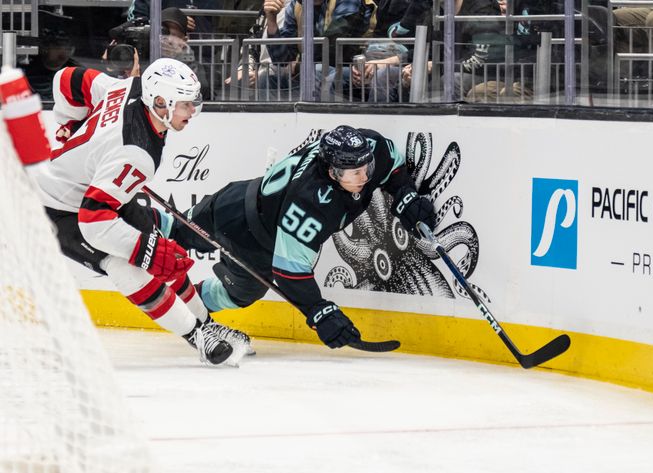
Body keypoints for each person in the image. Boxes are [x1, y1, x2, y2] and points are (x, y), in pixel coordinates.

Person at [37, 58, 247, 366]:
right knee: (126, 267)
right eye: (186, 105)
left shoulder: (129, 87)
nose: (193, 112)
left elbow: (67, 78)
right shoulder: (136, 152)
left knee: (165, 257)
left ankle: (207, 323)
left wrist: (68, 123)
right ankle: (196, 336)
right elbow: (93, 221)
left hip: (99, 192)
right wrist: (143, 252)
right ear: (161, 102)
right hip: (57, 207)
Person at [167, 126, 436, 349]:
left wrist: (405, 193)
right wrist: (319, 311)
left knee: (237, 294)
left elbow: (394, 167)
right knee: (169, 230)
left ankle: (177, 304)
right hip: (236, 214)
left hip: (258, 229)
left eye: (368, 167)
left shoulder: (368, 148)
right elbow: (289, 272)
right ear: (333, 172)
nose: (365, 177)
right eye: (356, 173)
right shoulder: (310, 201)